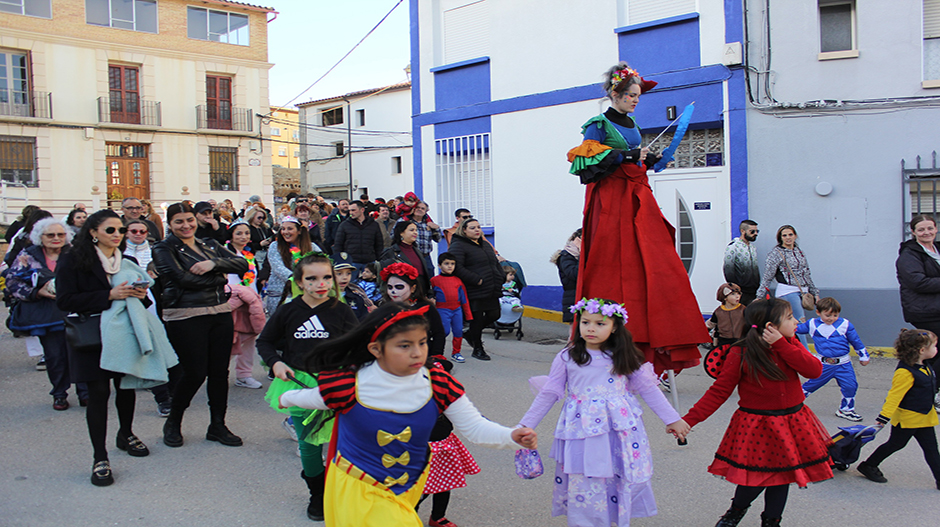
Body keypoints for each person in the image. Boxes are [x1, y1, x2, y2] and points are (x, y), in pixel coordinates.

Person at [278, 302, 538, 527]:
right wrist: (284, 397)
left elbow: (474, 427)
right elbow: (312, 398)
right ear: (376, 349)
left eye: (422, 342)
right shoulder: (350, 384)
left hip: (409, 488)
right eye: (404, 345)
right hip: (359, 487)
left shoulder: (437, 382)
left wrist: (512, 435)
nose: (417, 352)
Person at [566, 62, 709, 374]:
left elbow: (632, 160)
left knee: (655, 261)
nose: (635, 100)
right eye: (631, 94)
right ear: (615, 94)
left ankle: (657, 339)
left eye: (638, 96)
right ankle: (605, 341)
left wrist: (650, 159)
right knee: (612, 264)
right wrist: (628, 156)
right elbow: (585, 163)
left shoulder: (630, 123)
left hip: (637, 198)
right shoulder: (598, 124)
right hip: (610, 202)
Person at [518, 298, 688, 526]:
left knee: (617, 474)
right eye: (585, 322)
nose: (591, 328)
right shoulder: (567, 357)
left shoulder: (623, 356)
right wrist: (525, 424)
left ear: (615, 327)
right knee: (586, 478)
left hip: (619, 430)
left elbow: (649, 389)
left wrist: (672, 419)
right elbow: (549, 394)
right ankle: (586, 521)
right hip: (581, 432)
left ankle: (613, 519)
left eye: (600, 323)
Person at [671, 299, 833, 527]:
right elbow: (719, 391)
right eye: (789, 317)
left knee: (782, 476)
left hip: (792, 421)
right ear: (770, 325)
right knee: (756, 476)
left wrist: (782, 345)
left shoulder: (790, 343)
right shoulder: (741, 351)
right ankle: (736, 510)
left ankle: (771, 521)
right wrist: (689, 420)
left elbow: (814, 371)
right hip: (758, 424)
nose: (796, 321)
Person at [56, 210, 158, 486]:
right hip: (93, 336)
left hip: (125, 333)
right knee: (99, 393)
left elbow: (142, 299)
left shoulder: (126, 260)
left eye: (121, 230)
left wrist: (139, 294)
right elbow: (65, 300)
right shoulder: (72, 260)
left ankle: (125, 433)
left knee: (126, 387)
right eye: (110, 230)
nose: (117, 235)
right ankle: (99, 456)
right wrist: (107, 295)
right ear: (93, 232)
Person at [257, 253, 358, 521]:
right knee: (309, 446)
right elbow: (265, 342)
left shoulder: (342, 310)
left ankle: (342, 490)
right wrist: (275, 363)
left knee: (343, 443)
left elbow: (359, 345)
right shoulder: (288, 311)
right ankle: (317, 493)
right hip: (300, 387)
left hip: (337, 385)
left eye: (327, 277)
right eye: (311, 278)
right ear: (300, 282)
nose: (321, 283)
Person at [152, 202, 249, 449]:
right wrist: (219, 278)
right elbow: (180, 279)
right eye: (179, 222)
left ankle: (217, 425)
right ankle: (173, 421)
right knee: (193, 372)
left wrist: (213, 264)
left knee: (219, 372)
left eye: (189, 220)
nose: (186, 226)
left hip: (219, 311)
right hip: (185, 314)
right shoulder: (164, 248)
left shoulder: (210, 245)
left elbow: (242, 265)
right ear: (170, 224)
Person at [5, 217, 88, 410]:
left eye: (61, 234)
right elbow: (12, 281)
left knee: (80, 353)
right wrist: (36, 292)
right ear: (40, 237)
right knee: (55, 356)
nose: (56, 238)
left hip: (75, 311)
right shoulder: (28, 255)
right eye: (50, 235)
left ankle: (85, 392)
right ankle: (59, 394)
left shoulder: (76, 253)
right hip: (46, 315)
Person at [857, 329, 940, 489]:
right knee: (895, 444)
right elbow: (894, 397)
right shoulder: (905, 372)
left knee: (931, 449)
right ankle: (868, 465)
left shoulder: (925, 366)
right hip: (907, 419)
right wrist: (883, 418)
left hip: (924, 418)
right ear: (922, 351)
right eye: (934, 346)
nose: (937, 349)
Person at [416, 359, 480, 527]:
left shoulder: (449, 399)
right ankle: (408, 517)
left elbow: (471, 420)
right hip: (422, 452)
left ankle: (437, 517)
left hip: (445, 447)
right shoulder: (413, 402)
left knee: (445, 485)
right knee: (420, 490)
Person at [798, 297, 870, 422]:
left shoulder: (845, 324)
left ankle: (846, 409)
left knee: (850, 386)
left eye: (835, 315)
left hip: (843, 364)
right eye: (828, 315)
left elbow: (856, 341)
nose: (831, 318)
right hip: (823, 365)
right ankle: (792, 404)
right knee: (810, 386)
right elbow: (794, 330)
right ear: (818, 312)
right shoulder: (812, 324)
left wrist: (863, 355)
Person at [447, 218, 503, 361]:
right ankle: (478, 349)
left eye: (478, 227)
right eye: (472, 228)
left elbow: (494, 262)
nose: (477, 230)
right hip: (474, 289)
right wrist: (475, 279)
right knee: (476, 320)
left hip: (491, 287)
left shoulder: (484, 244)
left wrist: (500, 275)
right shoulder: (458, 245)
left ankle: (470, 334)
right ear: (464, 230)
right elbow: (457, 267)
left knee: (494, 315)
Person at [226, 220, 265, 389]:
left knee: (249, 338)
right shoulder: (224, 253)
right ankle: (220, 373)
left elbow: (253, 279)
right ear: (231, 235)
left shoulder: (250, 255)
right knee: (228, 339)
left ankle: (244, 374)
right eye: (239, 233)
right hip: (231, 302)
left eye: (247, 233)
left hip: (250, 301)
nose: (243, 237)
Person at [896, 214, 940, 368]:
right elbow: (918, 282)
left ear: (936, 229)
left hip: (936, 309)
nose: (926, 232)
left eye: (930, 228)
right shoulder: (909, 255)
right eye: (921, 230)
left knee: (931, 351)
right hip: (925, 311)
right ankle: (927, 386)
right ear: (913, 232)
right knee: (932, 351)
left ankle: (925, 384)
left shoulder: (937, 249)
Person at [755, 225, 820, 324]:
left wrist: (815, 293)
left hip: (803, 291)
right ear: (780, 238)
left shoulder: (799, 252)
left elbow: (806, 273)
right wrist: (759, 296)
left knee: (795, 322)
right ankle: (800, 340)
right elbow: (768, 276)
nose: (788, 238)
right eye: (784, 235)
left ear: (795, 236)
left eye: (790, 234)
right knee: (799, 321)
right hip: (787, 291)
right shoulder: (775, 253)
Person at [382, 262, 446, 361]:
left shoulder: (426, 307)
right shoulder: (385, 308)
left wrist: (436, 356)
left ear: (413, 288)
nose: (393, 291)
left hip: (422, 357)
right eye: (390, 287)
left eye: (399, 287)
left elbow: (438, 333)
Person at [258, 216, 314, 315]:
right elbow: (278, 267)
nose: (285, 232)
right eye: (283, 229)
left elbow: (323, 262)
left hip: (305, 294)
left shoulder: (311, 246)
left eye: (290, 228)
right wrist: (298, 279)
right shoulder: (275, 246)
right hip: (279, 294)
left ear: (299, 231)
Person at [430, 252, 472, 363]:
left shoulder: (458, 281)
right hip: (442, 310)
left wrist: (468, 315)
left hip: (457, 310)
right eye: (446, 263)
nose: (450, 266)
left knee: (458, 331)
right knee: (444, 332)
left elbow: (464, 299)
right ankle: (437, 353)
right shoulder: (434, 281)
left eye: (452, 264)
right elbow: (429, 296)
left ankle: (456, 353)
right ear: (439, 266)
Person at [332, 200, 384, 278]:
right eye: (349, 210)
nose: (351, 213)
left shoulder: (373, 225)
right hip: (351, 262)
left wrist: (377, 258)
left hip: (369, 261)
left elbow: (379, 243)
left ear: (362, 210)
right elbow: (338, 244)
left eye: (353, 210)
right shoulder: (344, 225)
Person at [380, 221, 432, 295]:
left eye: (416, 230)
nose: (415, 233)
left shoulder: (417, 251)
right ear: (401, 233)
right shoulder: (391, 252)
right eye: (411, 230)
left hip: (420, 291)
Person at [723, 220, 760, 305]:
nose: (755, 233)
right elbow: (728, 268)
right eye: (752, 231)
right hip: (741, 289)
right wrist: (734, 287)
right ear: (743, 231)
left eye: (757, 231)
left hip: (753, 288)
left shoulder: (752, 248)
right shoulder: (733, 247)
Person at [399, 201, 441, 272]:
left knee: (429, 277)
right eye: (417, 207)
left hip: (425, 257)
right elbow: (393, 236)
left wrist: (436, 229)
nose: (419, 209)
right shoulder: (404, 221)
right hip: (409, 256)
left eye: (422, 208)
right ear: (413, 209)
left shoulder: (429, 223)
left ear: (426, 212)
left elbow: (438, 239)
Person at [550, 229, 581, 323]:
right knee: (575, 331)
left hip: (582, 297)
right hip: (573, 297)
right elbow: (574, 274)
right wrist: (582, 254)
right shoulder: (566, 256)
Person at [333, 252, 374, 321]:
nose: (345, 277)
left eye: (348, 273)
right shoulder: (325, 297)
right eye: (339, 273)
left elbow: (364, 322)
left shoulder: (356, 298)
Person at [707, 283, 746, 347]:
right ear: (725, 298)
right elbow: (711, 324)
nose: (737, 296)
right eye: (733, 294)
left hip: (739, 341)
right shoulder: (719, 312)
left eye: (738, 293)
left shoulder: (743, 309)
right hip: (723, 342)